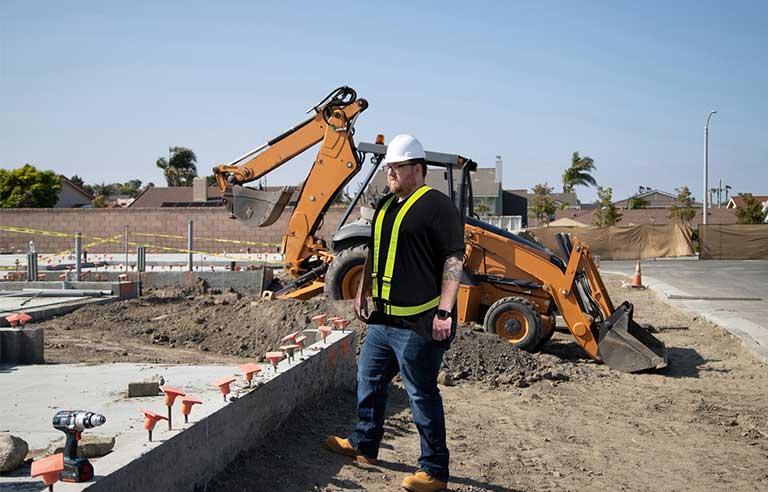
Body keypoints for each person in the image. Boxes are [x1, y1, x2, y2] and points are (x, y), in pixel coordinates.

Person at [326, 134, 464, 492]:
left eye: (397, 167)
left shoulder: (438, 207)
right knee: (369, 380)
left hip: (419, 323)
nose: (390, 172)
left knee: (421, 393)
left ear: (417, 169)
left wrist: (445, 313)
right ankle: (364, 444)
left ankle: (434, 471)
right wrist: (361, 291)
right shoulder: (387, 205)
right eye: (389, 166)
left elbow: (454, 260)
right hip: (383, 320)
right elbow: (375, 250)